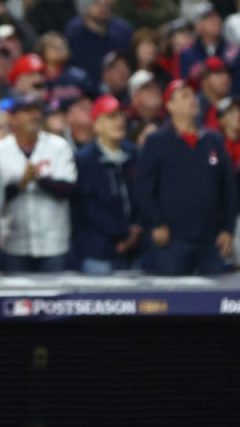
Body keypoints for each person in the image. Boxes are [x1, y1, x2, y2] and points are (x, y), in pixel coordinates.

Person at [135, 80, 236, 275]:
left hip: (210, 239)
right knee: (172, 299)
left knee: (212, 301)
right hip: (172, 239)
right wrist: (157, 222)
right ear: (170, 105)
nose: (192, 99)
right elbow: (144, 188)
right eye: (184, 95)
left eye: (193, 94)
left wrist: (228, 229)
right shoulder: (157, 141)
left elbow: (228, 189)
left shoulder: (213, 139)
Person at [0, 94, 77, 272]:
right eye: (26, 111)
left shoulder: (58, 146)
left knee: (54, 298)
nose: (34, 116)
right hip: (13, 242)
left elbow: (68, 189)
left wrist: (39, 179)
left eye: (37, 110)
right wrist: (21, 183)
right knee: (16, 299)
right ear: (12, 117)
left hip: (53, 242)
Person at [72, 95, 141, 274]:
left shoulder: (134, 154)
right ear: (96, 125)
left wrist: (135, 231)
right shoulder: (85, 159)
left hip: (136, 247)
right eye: (110, 117)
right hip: (99, 249)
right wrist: (122, 233)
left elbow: (144, 195)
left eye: (120, 116)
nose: (118, 122)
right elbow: (87, 207)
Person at [64, 0, 133, 83]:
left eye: (106, 4)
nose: (103, 7)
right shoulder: (74, 32)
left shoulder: (122, 31)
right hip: (82, 87)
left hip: (115, 88)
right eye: (96, 2)